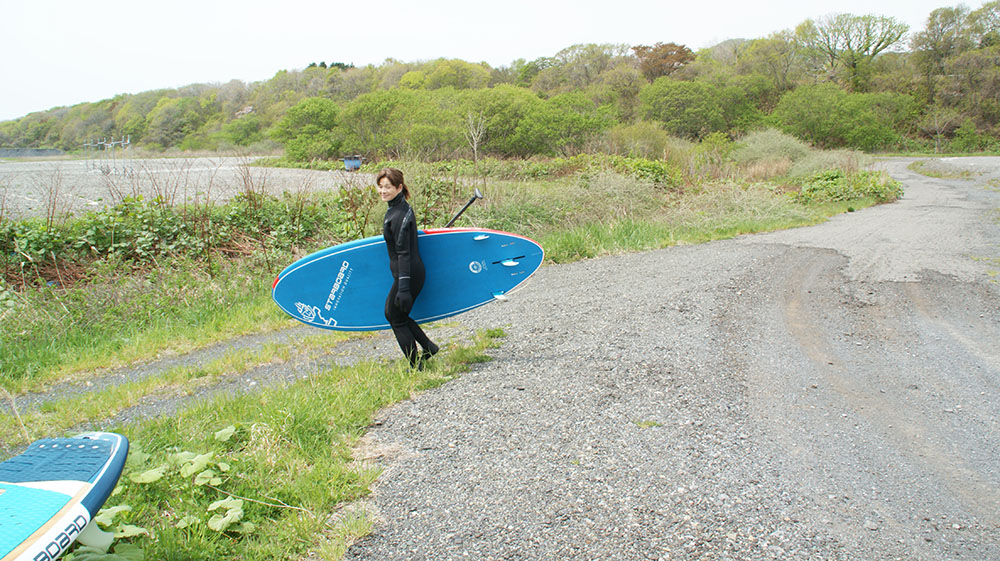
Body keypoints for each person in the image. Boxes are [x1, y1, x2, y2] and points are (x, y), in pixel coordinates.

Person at [377, 168, 439, 368]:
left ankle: (415, 366)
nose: (383, 191)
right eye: (380, 186)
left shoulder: (398, 215)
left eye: (387, 187)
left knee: (395, 318)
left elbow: (403, 252)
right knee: (396, 315)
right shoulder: (399, 208)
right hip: (408, 272)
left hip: (408, 273)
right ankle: (428, 346)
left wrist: (403, 287)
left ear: (399, 187)